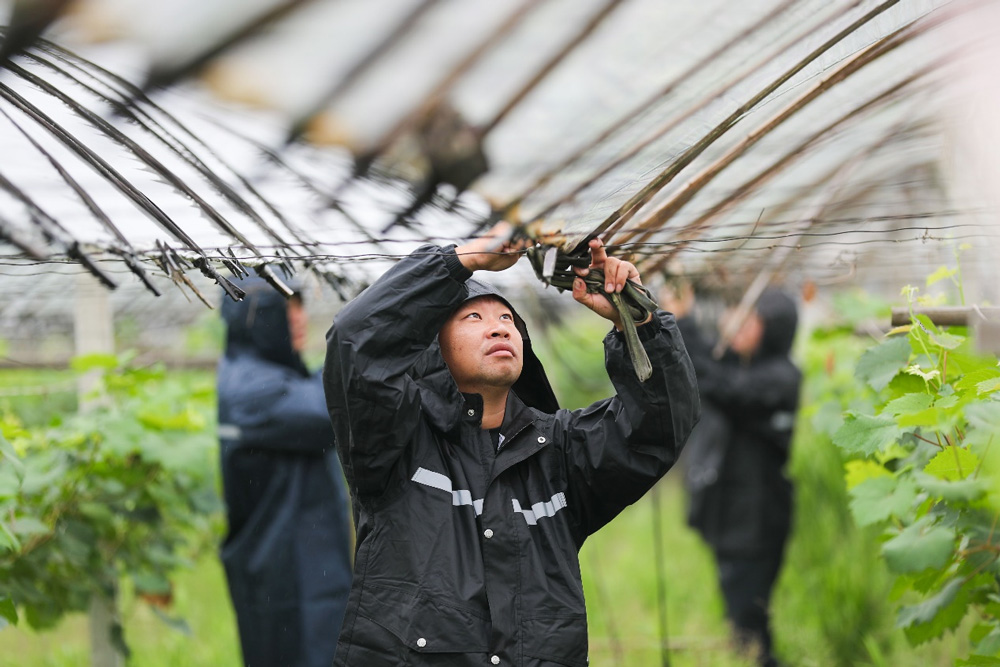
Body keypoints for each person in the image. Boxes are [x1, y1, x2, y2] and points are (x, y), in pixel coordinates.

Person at [323, 224, 699, 666]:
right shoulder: (396, 442)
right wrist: (460, 262)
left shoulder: (557, 451)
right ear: (434, 349)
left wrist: (639, 320)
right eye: (473, 318)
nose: (499, 329)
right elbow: (355, 345)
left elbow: (660, 425)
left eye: (508, 320)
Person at [217, 276, 353, 667]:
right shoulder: (250, 389)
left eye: (300, 305)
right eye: (285, 307)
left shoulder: (266, 375)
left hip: (292, 567)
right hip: (286, 575)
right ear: (252, 315)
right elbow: (332, 408)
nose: (299, 318)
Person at [668, 285, 800, 667]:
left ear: (772, 328)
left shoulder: (779, 378)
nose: (734, 325)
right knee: (740, 610)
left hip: (756, 522)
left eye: (749, 319)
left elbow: (718, 384)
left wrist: (686, 322)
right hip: (735, 517)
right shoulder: (747, 367)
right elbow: (711, 367)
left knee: (749, 616)